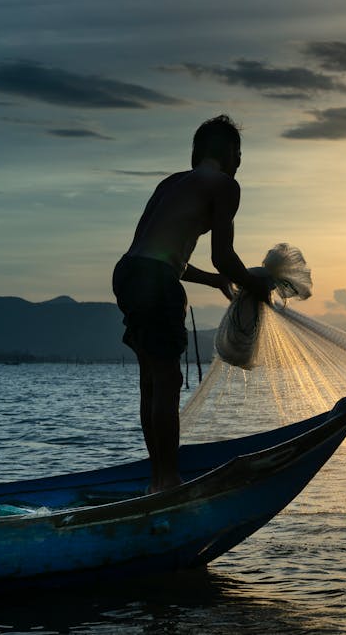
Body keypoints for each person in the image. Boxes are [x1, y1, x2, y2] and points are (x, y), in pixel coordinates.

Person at [112, 114, 271, 493]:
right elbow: (223, 255)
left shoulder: (170, 183)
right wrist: (255, 285)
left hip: (128, 273)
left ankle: (157, 479)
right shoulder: (225, 186)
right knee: (167, 381)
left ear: (195, 153)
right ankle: (167, 481)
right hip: (155, 279)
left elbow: (159, 254)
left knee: (151, 381)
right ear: (232, 154)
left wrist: (214, 281)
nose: (240, 162)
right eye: (239, 154)